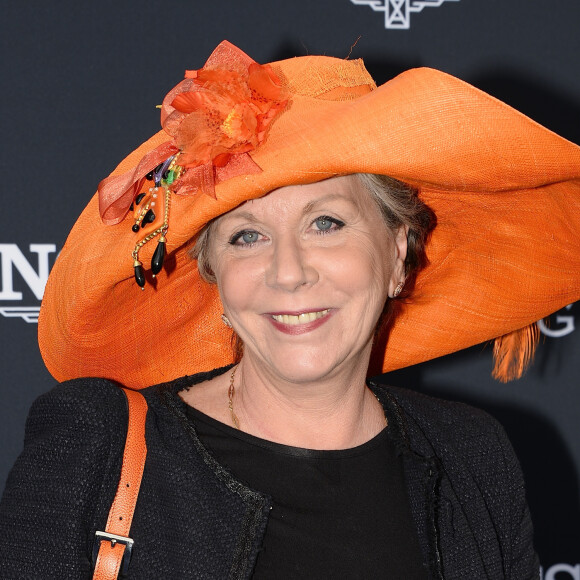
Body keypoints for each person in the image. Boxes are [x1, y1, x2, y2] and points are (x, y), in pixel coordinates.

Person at [1, 40, 579, 579]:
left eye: (326, 223)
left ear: (398, 253)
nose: (289, 271)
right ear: (215, 275)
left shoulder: (471, 455)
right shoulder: (97, 443)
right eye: (246, 237)